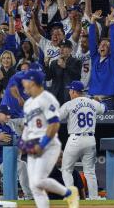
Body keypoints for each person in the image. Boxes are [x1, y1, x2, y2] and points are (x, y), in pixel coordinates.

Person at [19, 70, 79, 208]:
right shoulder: (28, 103)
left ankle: (69, 193)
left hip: (48, 144)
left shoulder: (47, 99)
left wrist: (42, 144)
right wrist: (22, 142)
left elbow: (54, 124)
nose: (23, 83)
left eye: (25, 80)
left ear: (32, 82)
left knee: (39, 180)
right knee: (34, 185)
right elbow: (27, 127)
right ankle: (68, 193)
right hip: (33, 144)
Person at [59, 80, 106, 200]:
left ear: (74, 91)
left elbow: (56, 117)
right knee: (89, 171)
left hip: (75, 139)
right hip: (90, 139)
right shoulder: (92, 102)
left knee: (66, 169)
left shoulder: (69, 104)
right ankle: (94, 198)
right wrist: (97, 100)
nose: (69, 92)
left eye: (70, 90)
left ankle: (71, 197)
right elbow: (104, 109)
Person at [0, 105, 32, 200]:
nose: (8, 117)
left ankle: (29, 196)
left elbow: (15, 139)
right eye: (6, 114)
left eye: (9, 115)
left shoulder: (7, 127)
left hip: (3, 161)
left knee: (22, 166)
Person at [88, 9, 114, 110]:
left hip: (108, 102)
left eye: (106, 45)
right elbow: (92, 41)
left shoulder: (113, 61)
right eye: (101, 44)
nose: (103, 46)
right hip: (92, 100)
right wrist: (92, 21)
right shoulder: (95, 58)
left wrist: (112, 25)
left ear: (110, 50)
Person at [45, 39, 82, 105]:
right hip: (55, 97)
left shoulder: (76, 62)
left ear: (71, 50)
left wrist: (65, 67)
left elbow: (77, 77)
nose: (61, 50)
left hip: (69, 97)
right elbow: (48, 78)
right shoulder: (54, 63)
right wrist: (46, 65)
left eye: (64, 47)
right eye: (60, 47)